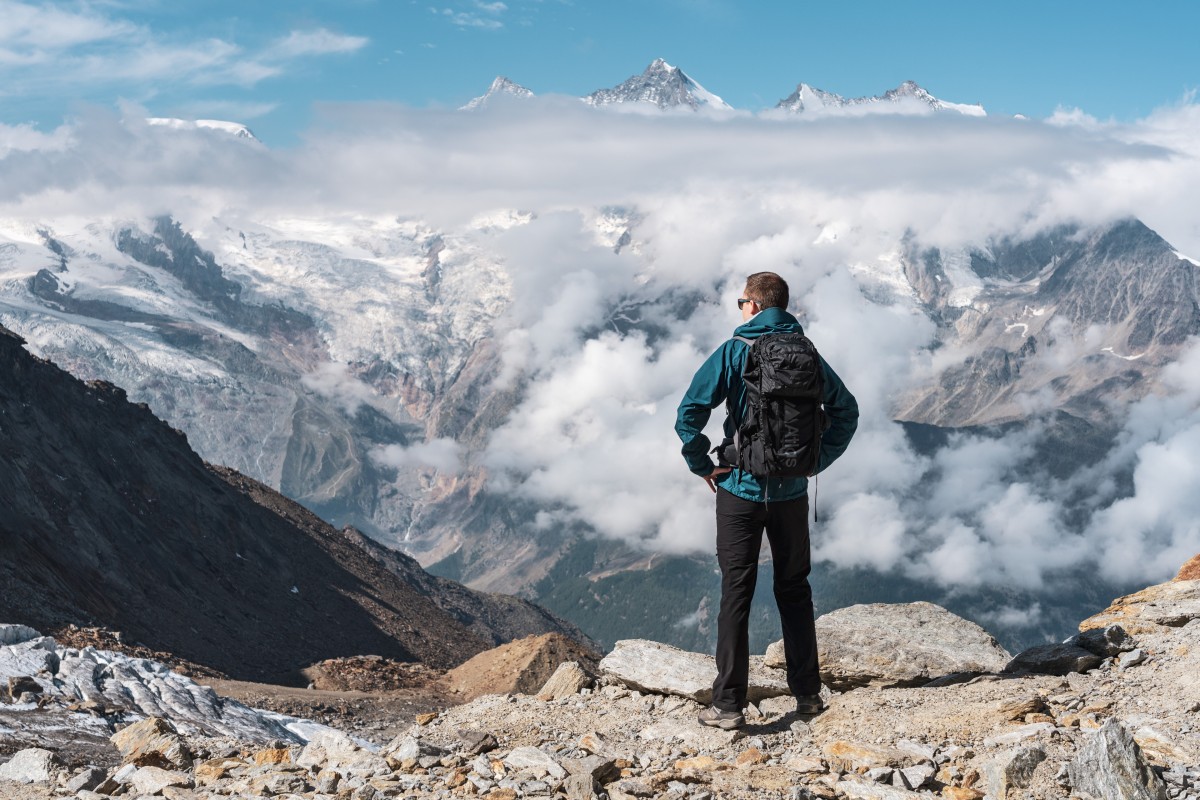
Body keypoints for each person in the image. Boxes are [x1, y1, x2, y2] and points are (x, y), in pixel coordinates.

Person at [675, 271, 858, 729]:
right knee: (795, 591)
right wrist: (815, 460)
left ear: (753, 306)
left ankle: (728, 707)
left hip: (739, 488)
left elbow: (688, 415)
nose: (740, 308)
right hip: (792, 493)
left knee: (736, 591)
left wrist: (702, 465)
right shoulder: (808, 353)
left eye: (741, 301)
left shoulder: (735, 351)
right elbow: (846, 411)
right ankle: (808, 697)